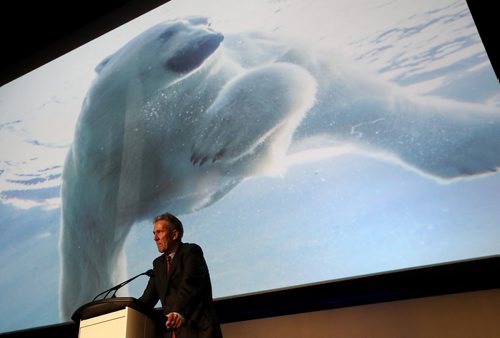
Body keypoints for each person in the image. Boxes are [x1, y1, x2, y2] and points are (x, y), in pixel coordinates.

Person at [139, 212, 223, 338]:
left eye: (159, 232)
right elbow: (147, 299)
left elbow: (190, 284)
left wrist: (178, 311)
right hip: (174, 333)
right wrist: (125, 310)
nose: (155, 238)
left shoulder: (191, 252)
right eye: (154, 233)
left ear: (174, 234)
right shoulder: (158, 264)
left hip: (199, 331)